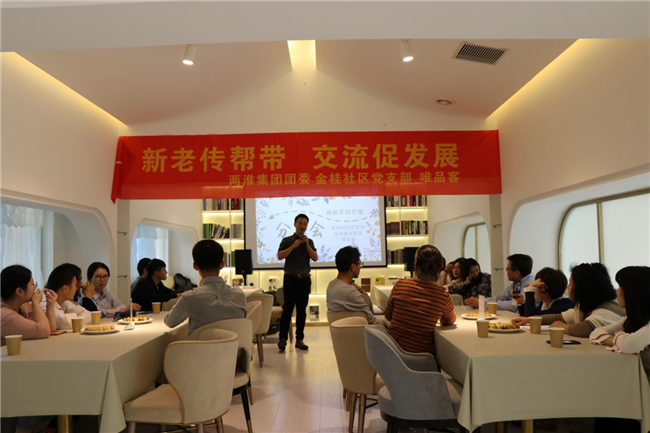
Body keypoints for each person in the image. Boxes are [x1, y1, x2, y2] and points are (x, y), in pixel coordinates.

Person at [589, 266, 649, 433]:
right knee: (609, 400)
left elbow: (629, 345)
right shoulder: (631, 318)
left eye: (621, 287)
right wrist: (617, 339)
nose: (617, 291)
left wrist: (619, 336)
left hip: (643, 386)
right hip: (635, 382)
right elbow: (595, 333)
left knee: (612, 401)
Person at [513, 263, 624, 337]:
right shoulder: (584, 305)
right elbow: (559, 317)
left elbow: (585, 329)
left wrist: (562, 326)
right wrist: (529, 320)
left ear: (582, 287)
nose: (568, 287)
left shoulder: (607, 308)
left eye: (571, 284)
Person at [384, 245, 455, 356]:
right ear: (439, 270)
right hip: (420, 358)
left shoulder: (400, 284)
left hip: (392, 353)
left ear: (415, 267)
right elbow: (449, 321)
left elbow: (388, 316)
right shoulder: (443, 295)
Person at [165, 240, 246, 336]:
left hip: (201, 346)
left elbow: (169, 322)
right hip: (235, 345)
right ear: (222, 264)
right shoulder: (239, 294)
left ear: (195, 266)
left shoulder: (189, 298)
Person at [277, 213, 318, 352]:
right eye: (300, 223)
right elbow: (280, 256)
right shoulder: (287, 240)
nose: (302, 226)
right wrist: (293, 246)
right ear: (295, 224)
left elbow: (315, 257)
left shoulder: (309, 241)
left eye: (305, 224)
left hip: (305, 279)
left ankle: (300, 339)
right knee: (288, 308)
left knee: (302, 310)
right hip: (290, 278)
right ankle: (283, 338)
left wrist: (306, 245)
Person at [1, 265, 57, 345]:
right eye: (32, 284)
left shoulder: (24, 306)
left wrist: (50, 306)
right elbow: (44, 330)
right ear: (19, 291)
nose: (35, 288)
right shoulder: (4, 315)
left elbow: (50, 328)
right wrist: (36, 303)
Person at [326, 246, 379, 325]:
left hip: (344, 331)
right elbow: (372, 321)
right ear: (353, 267)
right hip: (362, 332)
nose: (360, 267)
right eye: (359, 264)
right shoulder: (351, 292)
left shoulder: (331, 286)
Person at [46, 263, 92, 330]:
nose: (76, 288)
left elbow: (89, 314)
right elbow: (65, 322)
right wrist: (75, 316)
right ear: (65, 289)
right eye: (75, 285)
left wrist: (72, 317)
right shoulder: (45, 301)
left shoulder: (64, 302)